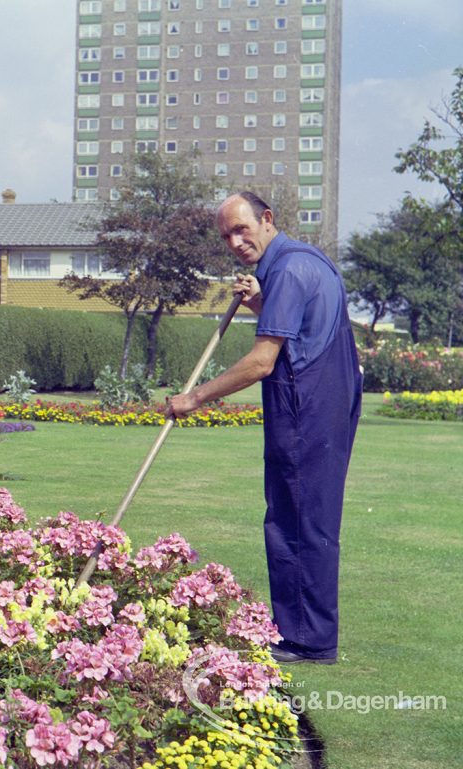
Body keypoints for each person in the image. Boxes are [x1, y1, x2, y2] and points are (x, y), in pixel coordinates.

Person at [166, 191, 362, 664]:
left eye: (241, 229)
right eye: (226, 235)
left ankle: (305, 640)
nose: (234, 241)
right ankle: (309, 634)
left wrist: (195, 397)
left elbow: (261, 362)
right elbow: (299, 334)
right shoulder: (306, 260)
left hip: (305, 408)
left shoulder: (289, 271)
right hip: (326, 403)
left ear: (267, 219)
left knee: (295, 522)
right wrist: (260, 303)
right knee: (309, 520)